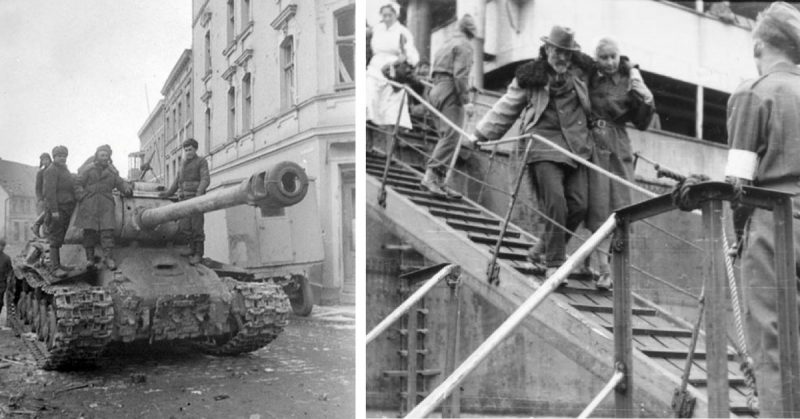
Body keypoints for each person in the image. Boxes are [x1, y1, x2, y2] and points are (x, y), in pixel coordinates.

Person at [722, 2, 800, 416]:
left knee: (771, 338)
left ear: (759, 45)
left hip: (773, 223)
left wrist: (736, 236)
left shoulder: (753, 93)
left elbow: (739, 181)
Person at [473, 25, 593, 283]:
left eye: (567, 53)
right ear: (547, 48)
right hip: (542, 145)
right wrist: (480, 134)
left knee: (579, 205)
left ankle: (541, 248)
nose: (562, 58)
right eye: (558, 52)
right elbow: (507, 107)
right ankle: (555, 264)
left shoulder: (580, 75)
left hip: (576, 149)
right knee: (556, 203)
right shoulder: (531, 77)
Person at [583, 38, 655, 290]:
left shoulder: (628, 79)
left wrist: (636, 77)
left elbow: (643, 117)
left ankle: (604, 267)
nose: (610, 62)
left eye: (614, 56)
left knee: (620, 206)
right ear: (597, 58)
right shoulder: (589, 76)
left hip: (619, 145)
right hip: (593, 143)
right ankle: (602, 269)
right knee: (598, 206)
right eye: (604, 57)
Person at [420, 14, 476, 198]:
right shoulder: (466, 46)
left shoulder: (446, 43)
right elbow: (460, 75)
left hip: (436, 90)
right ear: (471, 32)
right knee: (452, 137)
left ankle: (440, 182)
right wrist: (466, 101)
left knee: (445, 136)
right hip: (450, 91)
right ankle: (430, 177)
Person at [366, 1, 420, 154]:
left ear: (396, 15)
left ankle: (390, 151)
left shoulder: (402, 32)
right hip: (375, 69)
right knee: (368, 102)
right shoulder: (377, 29)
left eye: (390, 15)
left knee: (392, 111)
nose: (387, 18)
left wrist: (403, 59)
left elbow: (412, 56)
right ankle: (368, 145)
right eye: (384, 15)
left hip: (392, 71)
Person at [73, 145, 131, 270]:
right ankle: (90, 259)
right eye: (102, 155)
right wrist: (82, 196)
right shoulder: (88, 170)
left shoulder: (112, 172)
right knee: (89, 232)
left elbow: (120, 183)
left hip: (106, 205)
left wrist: (127, 188)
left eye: (106, 155)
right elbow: (78, 183)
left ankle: (108, 258)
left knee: (107, 233)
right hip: (89, 203)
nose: (104, 158)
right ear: (97, 156)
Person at [160, 139, 210, 265]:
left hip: (196, 199)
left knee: (197, 227)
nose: (188, 152)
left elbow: (205, 179)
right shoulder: (182, 164)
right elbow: (177, 182)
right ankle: (191, 249)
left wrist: (199, 193)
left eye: (190, 149)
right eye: (186, 150)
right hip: (184, 199)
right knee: (185, 227)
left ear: (195, 149)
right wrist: (168, 194)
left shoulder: (201, 162)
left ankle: (198, 253)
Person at [42, 145, 76, 277]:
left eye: (64, 156)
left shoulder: (64, 170)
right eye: (59, 156)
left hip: (66, 207)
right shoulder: (52, 170)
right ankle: (54, 268)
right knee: (55, 238)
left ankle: (58, 264)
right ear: (54, 157)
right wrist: (54, 210)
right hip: (58, 208)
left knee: (60, 237)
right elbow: (49, 193)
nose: (62, 158)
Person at [30, 153, 52, 238]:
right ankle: (44, 234)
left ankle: (37, 226)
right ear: (41, 162)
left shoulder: (54, 170)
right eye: (43, 160)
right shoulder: (41, 173)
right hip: (44, 197)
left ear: (50, 160)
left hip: (52, 195)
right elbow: (38, 188)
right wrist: (40, 198)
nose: (45, 162)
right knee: (46, 215)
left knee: (49, 216)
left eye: (47, 159)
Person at [0, 239, 11, 316]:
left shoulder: (6, 258)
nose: (1, 247)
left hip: (1, 284)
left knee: (0, 302)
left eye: (2, 246)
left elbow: (10, 271)